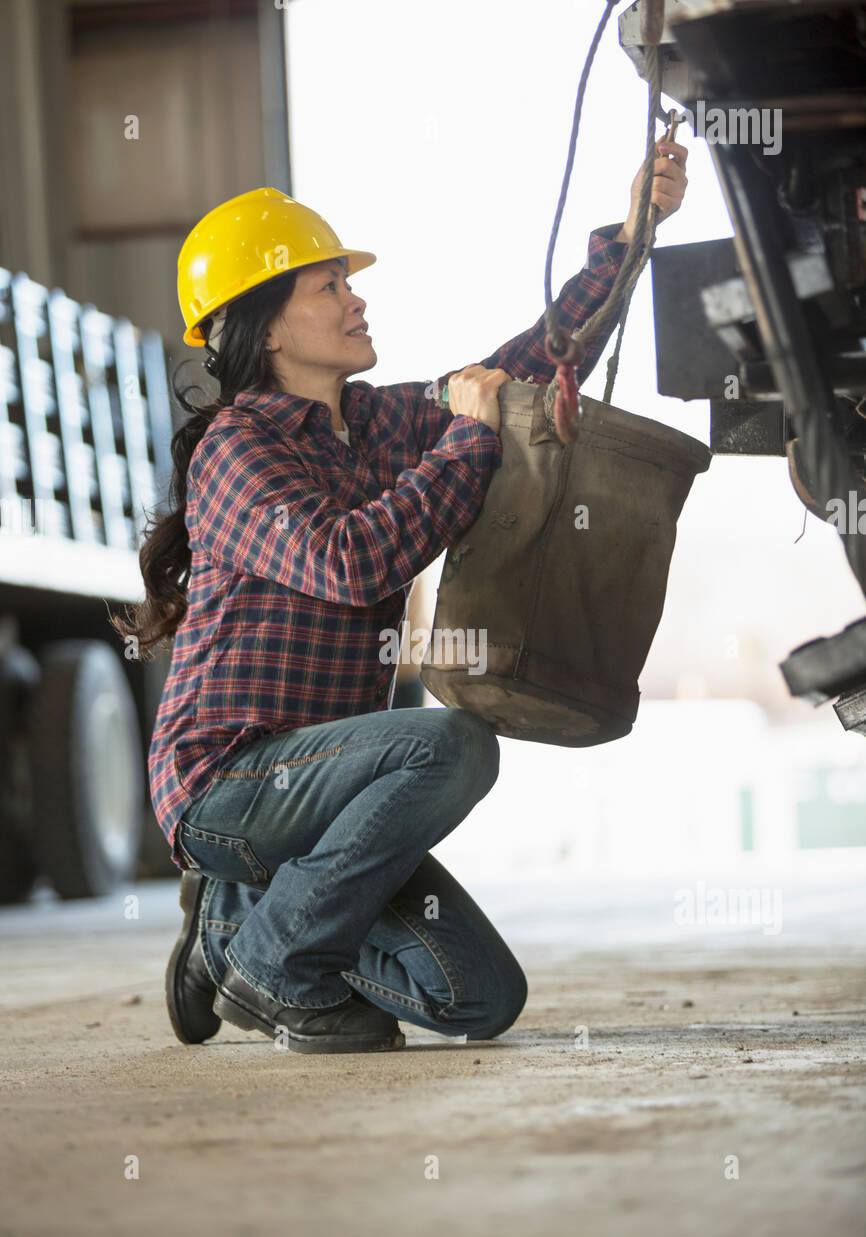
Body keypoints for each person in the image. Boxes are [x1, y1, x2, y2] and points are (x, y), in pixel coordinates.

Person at [116, 146, 687, 1055]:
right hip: (229, 783)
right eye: (328, 287)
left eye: (349, 282)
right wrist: (468, 445)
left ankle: (235, 928)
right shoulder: (237, 448)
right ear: (265, 327)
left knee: (477, 1000)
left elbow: (524, 371)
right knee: (451, 744)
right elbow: (350, 563)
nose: (357, 299)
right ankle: (267, 965)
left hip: (329, 797)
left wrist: (630, 239)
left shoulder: (377, 423)